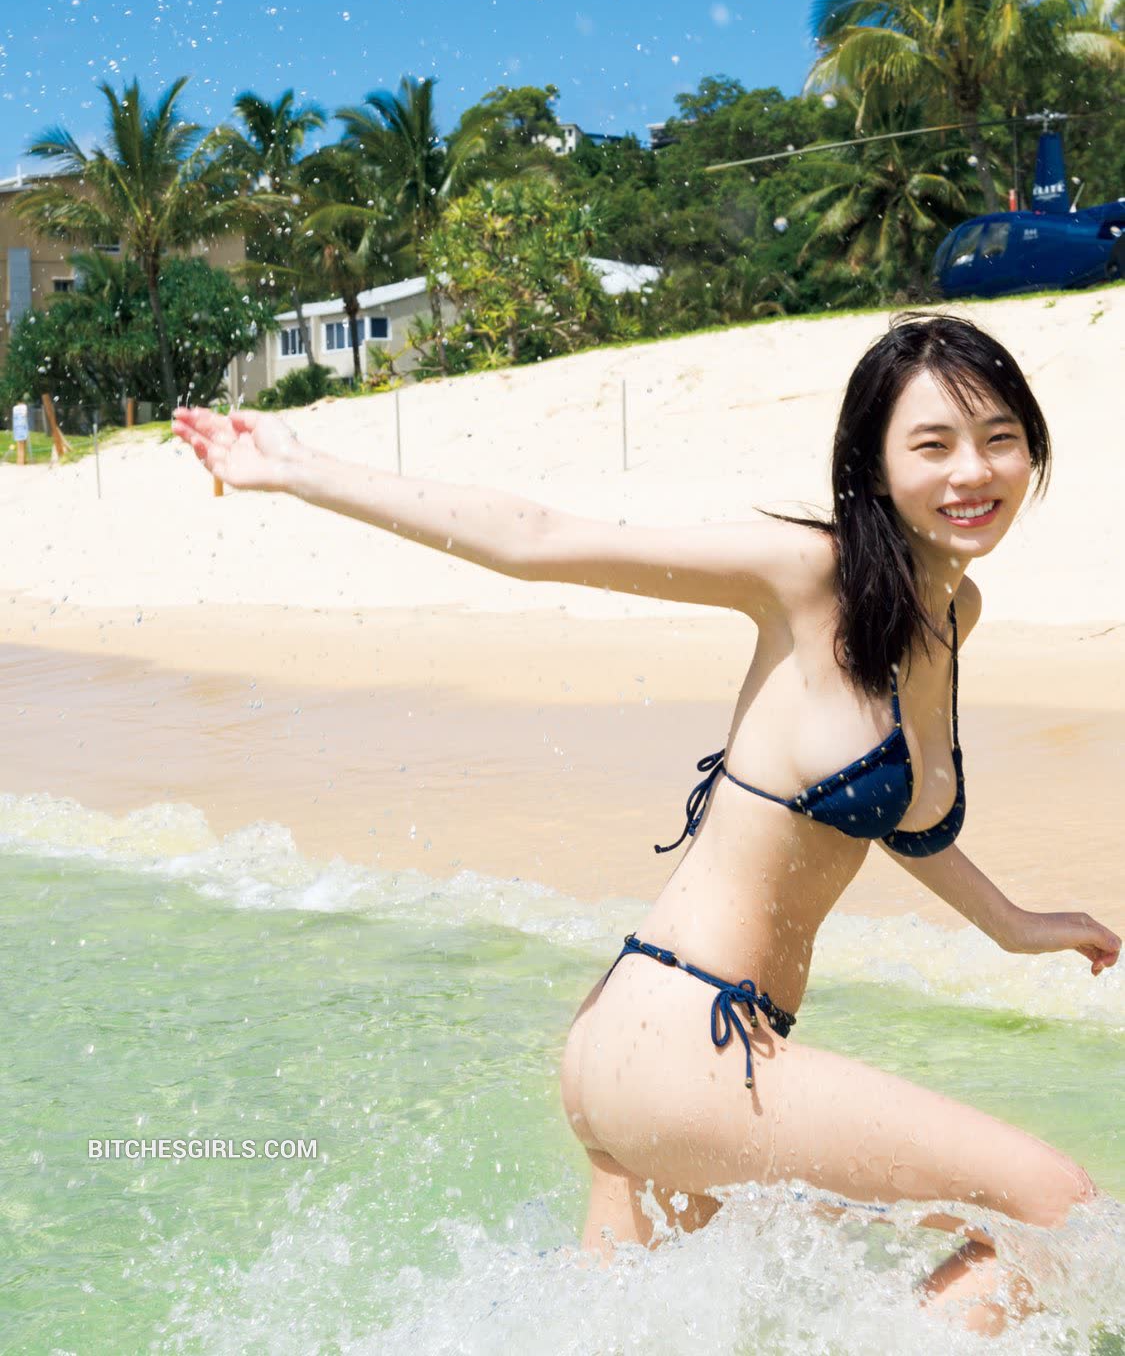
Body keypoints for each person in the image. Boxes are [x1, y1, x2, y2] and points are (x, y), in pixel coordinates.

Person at [172, 311, 1119, 1337]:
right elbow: (537, 539)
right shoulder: (810, 572)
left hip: (648, 1051)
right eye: (931, 444)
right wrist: (300, 468)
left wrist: (1014, 925)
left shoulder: (948, 613)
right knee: (1055, 1210)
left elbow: (895, 815)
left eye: (999, 437)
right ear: (875, 466)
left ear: (1032, 449)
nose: (971, 470)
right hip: (685, 1045)